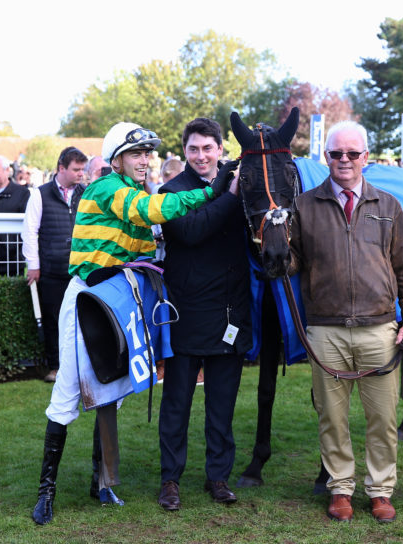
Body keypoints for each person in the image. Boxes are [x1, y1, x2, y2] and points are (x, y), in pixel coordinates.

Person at [31, 121, 225, 525]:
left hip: (119, 300)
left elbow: (149, 241)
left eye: (148, 153)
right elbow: (149, 211)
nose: (145, 160)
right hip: (86, 297)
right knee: (69, 389)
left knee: (112, 389)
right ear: (117, 158)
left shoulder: (134, 191)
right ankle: (45, 492)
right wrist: (213, 191)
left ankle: (101, 482)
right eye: (137, 153)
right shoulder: (107, 188)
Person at [288, 121, 403, 523]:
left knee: (383, 419)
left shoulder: (387, 205)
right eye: (335, 154)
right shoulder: (304, 205)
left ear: (366, 157)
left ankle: (381, 491)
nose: (344, 161)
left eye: (352, 153)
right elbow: (292, 263)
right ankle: (341, 489)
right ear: (325, 158)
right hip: (326, 329)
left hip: (379, 328)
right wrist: (274, 248)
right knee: (332, 417)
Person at [156, 117, 248, 512]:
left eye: (207, 148)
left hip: (230, 311)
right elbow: (192, 231)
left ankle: (218, 476)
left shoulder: (241, 188)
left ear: (220, 150)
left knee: (222, 403)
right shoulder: (170, 192)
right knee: (176, 402)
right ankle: (170, 479)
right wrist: (227, 195)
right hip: (185, 312)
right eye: (193, 149)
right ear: (185, 152)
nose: (200, 155)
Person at [22, 147, 88, 383]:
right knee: (53, 320)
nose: (81, 174)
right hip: (51, 270)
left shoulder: (87, 193)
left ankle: (83, 368)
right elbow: (30, 231)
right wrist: (34, 265)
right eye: (76, 169)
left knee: (82, 320)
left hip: (82, 270)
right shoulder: (39, 194)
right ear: (61, 168)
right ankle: (55, 367)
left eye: (83, 169)